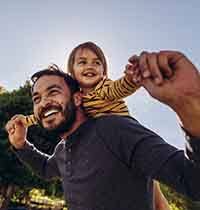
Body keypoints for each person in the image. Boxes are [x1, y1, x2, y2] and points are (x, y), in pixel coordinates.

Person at [6, 50, 200, 210]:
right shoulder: (62, 150)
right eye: (37, 99)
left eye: (53, 92)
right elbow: (46, 169)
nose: (44, 103)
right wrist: (21, 145)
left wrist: (189, 106)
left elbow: (193, 180)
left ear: (77, 99)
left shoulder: (114, 129)